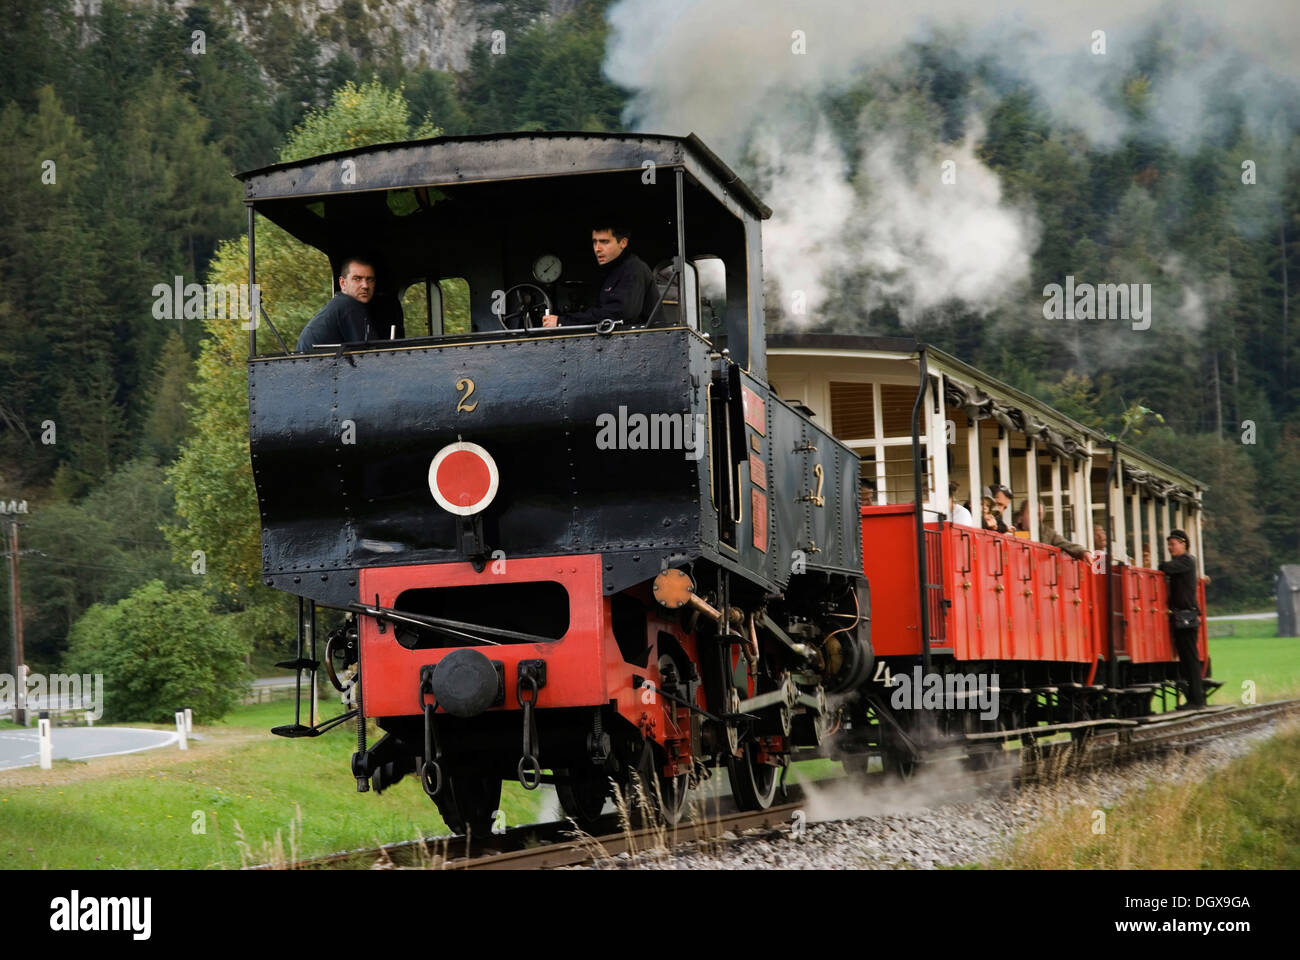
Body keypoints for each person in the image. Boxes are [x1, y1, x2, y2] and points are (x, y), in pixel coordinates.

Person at [541, 224, 656, 327]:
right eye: (594, 242)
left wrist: (563, 322)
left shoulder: (633, 269)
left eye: (604, 242)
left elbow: (618, 313)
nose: (597, 249)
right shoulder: (611, 270)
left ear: (623, 243)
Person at [297, 257, 383, 351]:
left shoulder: (339, 304)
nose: (365, 286)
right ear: (342, 283)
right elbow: (370, 355)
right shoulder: (348, 306)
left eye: (370, 280)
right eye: (357, 279)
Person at [1159, 530, 1204, 708]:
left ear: (1184, 543)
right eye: (1169, 545)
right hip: (1182, 616)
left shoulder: (1187, 560)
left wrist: (1161, 565)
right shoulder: (1185, 561)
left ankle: (1196, 699)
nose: (1170, 548)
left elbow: (1166, 567)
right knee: (1187, 660)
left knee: (1190, 659)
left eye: (1173, 544)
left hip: (1186, 616)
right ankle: (1194, 698)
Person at [1016, 499, 1091, 561]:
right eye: (1032, 513)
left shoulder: (1049, 534)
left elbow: (1066, 544)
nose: (1036, 518)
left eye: (1039, 515)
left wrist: (1083, 552)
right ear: (1021, 515)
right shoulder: (1011, 532)